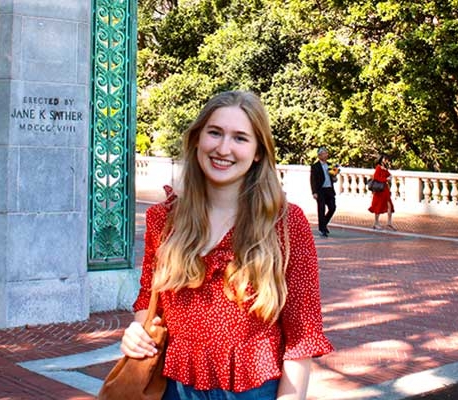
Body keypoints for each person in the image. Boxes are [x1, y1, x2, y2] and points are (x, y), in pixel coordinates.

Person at [119, 91, 332, 400]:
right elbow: (148, 301)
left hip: (255, 390)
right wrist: (137, 333)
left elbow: (302, 333)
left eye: (240, 138)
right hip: (175, 388)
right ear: (197, 139)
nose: (223, 148)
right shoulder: (164, 219)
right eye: (215, 133)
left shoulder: (286, 224)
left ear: (258, 151)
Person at [309, 146, 339, 237]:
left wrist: (334, 176)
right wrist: (314, 192)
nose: (326, 155)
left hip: (329, 189)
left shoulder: (330, 165)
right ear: (319, 155)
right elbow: (312, 180)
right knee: (321, 209)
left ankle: (323, 223)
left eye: (326, 153)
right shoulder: (315, 166)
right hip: (320, 190)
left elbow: (334, 179)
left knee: (332, 207)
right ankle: (323, 229)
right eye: (324, 153)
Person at [369, 154, 396, 230]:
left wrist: (389, 177)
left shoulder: (384, 167)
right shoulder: (378, 167)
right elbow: (376, 177)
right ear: (381, 159)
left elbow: (388, 175)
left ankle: (389, 223)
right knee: (378, 205)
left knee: (389, 205)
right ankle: (376, 222)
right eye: (384, 159)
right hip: (380, 190)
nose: (385, 160)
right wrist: (386, 179)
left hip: (385, 189)